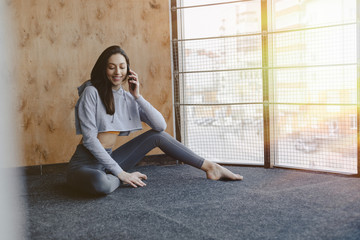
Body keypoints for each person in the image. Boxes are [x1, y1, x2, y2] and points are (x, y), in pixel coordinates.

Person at [67, 45, 243, 195]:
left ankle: (211, 167)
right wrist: (122, 174)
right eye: (111, 67)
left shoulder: (127, 97)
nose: (117, 72)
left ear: (128, 69)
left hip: (110, 159)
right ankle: (118, 178)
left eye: (122, 67)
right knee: (101, 184)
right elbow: (90, 140)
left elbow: (160, 126)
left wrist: (138, 97)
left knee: (157, 135)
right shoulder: (91, 92)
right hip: (85, 165)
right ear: (103, 69)